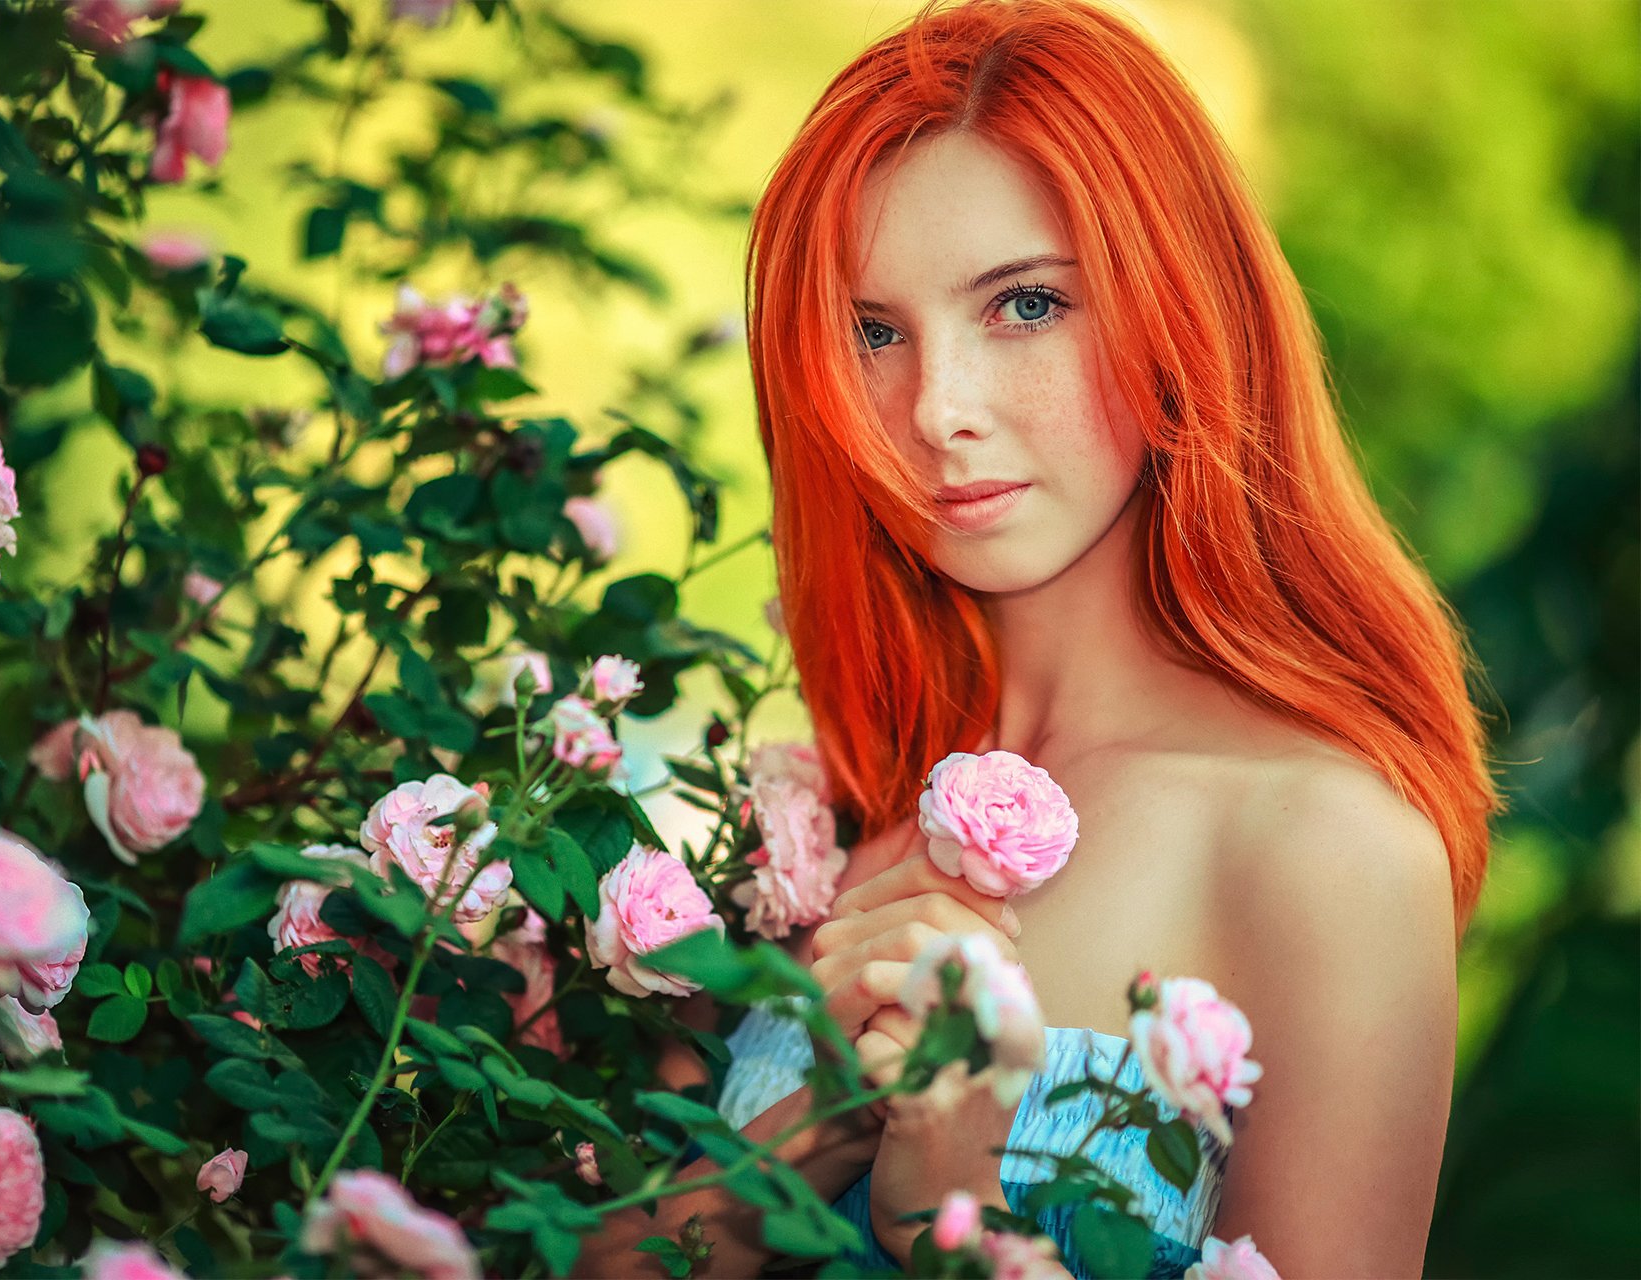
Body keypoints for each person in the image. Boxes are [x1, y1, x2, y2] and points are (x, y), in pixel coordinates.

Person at [575, 0, 1503, 1275]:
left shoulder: (1324, 847)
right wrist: (827, 1116)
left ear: (1180, 307)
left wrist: (955, 1206)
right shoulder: (821, 820)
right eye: (873, 331)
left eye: (1023, 306)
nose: (937, 409)